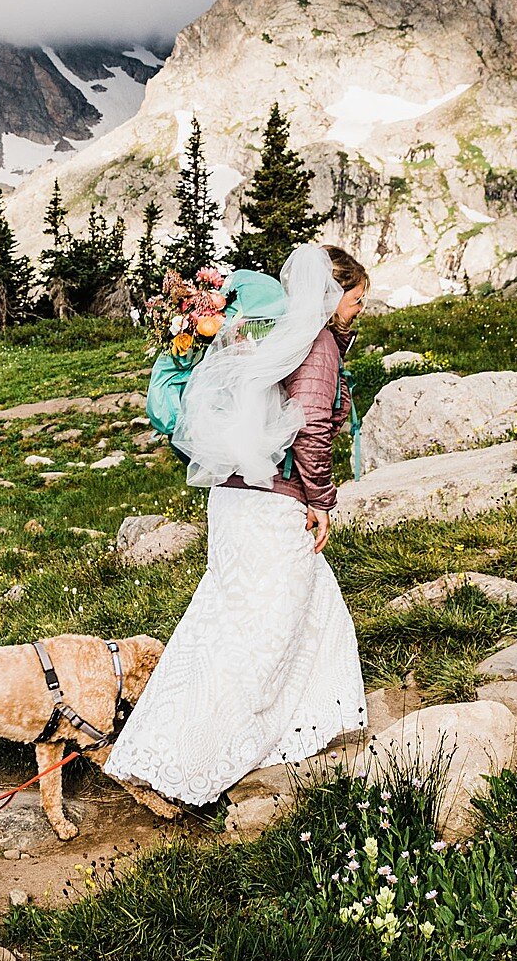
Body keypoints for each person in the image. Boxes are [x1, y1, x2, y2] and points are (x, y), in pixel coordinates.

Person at [105, 244, 370, 806]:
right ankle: (194, 759)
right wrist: (320, 500)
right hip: (274, 503)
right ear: (329, 292)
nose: (359, 311)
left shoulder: (268, 333)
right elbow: (313, 426)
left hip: (232, 499)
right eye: (355, 299)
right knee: (255, 632)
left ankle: (300, 725)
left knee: (282, 609)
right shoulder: (315, 343)